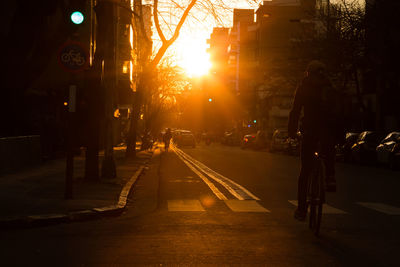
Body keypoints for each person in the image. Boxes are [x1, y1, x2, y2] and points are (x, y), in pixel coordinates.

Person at [288, 60, 344, 221]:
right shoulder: (330, 88)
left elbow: (295, 111)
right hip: (328, 129)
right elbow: (338, 113)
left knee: (305, 171)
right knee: (328, 151)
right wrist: (340, 135)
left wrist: (292, 132)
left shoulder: (303, 88)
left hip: (310, 130)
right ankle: (330, 177)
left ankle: (301, 209)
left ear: (308, 73)